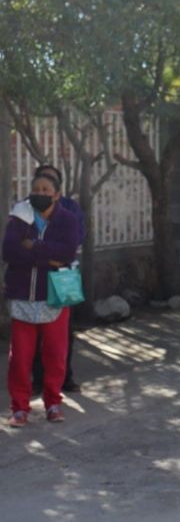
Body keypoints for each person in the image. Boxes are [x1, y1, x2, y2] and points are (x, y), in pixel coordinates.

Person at [4, 173, 81, 427]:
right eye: (36, 188)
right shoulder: (19, 219)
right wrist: (48, 257)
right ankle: (19, 408)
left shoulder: (67, 220)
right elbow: (9, 251)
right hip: (23, 294)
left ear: (56, 195)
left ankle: (53, 402)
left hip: (55, 295)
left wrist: (33, 247)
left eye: (46, 189)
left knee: (55, 354)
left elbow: (67, 252)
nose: (40, 192)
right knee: (20, 357)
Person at [31, 164, 85, 394]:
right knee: (34, 331)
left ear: (57, 189)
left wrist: (42, 251)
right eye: (39, 186)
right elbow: (18, 244)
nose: (43, 192)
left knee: (63, 332)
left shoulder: (71, 208)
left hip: (63, 279)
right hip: (33, 278)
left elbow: (74, 242)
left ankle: (65, 378)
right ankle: (38, 380)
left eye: (49, 184)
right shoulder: (26, 209)